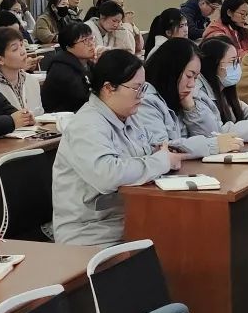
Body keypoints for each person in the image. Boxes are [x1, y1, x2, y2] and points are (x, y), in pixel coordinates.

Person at [52, 50, 186, 245]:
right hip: (91, 231)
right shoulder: (87, 125)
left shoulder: (128, 116)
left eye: (144, 88)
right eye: (136, 88)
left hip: (128, 218)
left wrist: (161, 154)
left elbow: (153, 149)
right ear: (108, 88)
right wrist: (161, 161)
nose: (142, 96)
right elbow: (108, 175)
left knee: (186, 231)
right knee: (176, 243)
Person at [137, 38, 246, 158]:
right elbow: (162, 149)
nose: (192, 84)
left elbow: (212, 134)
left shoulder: (179, 99)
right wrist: (213, 145)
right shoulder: (146, 101)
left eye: (195, 78)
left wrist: (191, 108)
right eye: (189, 76)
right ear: (171, 71)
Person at [0, 26, 44, 116]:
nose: (23, 52)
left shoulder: (32, 81)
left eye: (21, 45)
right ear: (0, 59)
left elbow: (40, 115)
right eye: (15, 49)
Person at [41, 21, 96, 114]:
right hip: (62, 117)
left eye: (91, 39)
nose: (91, 44)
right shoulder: (61, 69)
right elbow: (81, 99)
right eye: (85, 40)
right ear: (68, 46)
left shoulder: (88, 63)